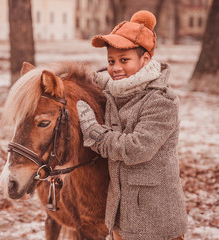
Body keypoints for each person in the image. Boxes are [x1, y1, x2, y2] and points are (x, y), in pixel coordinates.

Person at [76, 10, 188, 240]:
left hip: (155, 220)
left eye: (124, 60)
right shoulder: (113, 91)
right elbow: (89, 78)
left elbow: (136, 148)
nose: (116, 68)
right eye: (111, 61)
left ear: (144, 60)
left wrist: (93, 132)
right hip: (121, 216)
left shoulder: (161, 101)